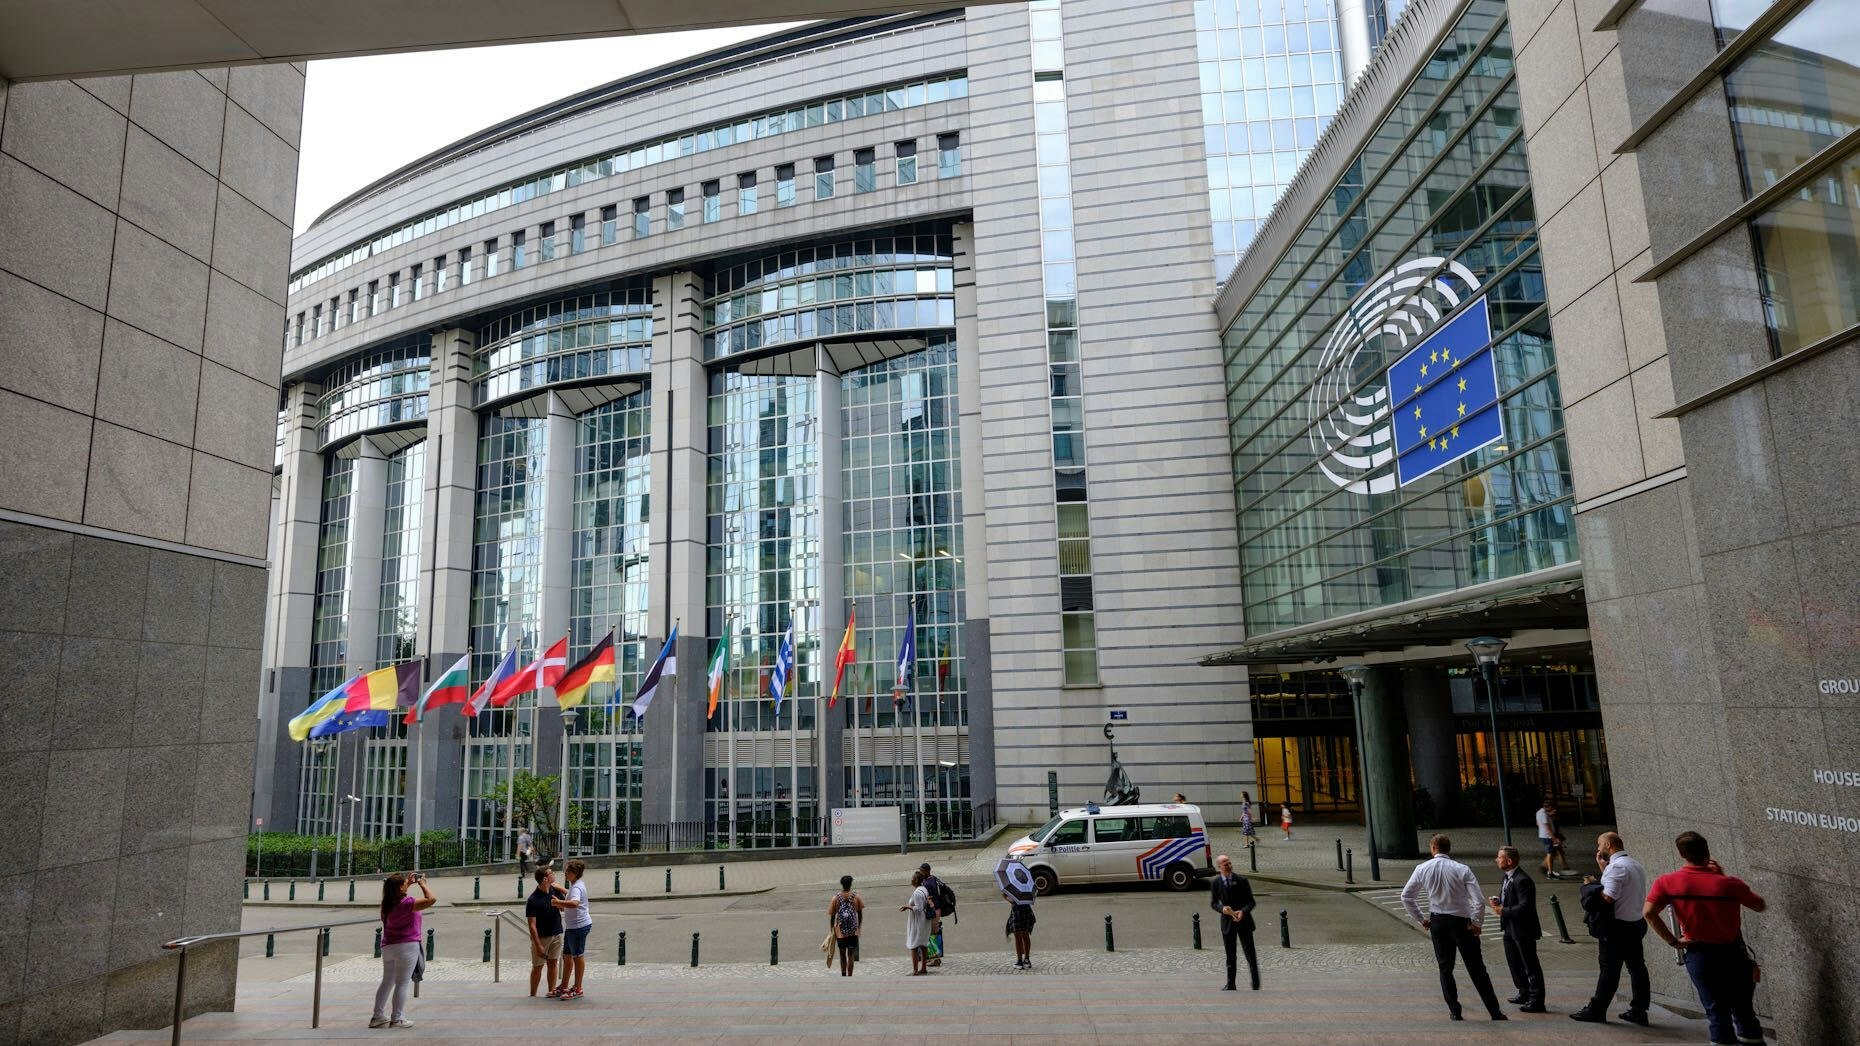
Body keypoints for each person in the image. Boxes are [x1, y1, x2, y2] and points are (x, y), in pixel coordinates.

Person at [1644, 832, 1767, 1046]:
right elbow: (1759, 905)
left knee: (1716, 1011)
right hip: (1733, 954)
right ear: (1707, 852)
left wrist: (1675, 942)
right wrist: (1720, 878)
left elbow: (1649, 913)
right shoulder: (1729, 884)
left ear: (1681, 854)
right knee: (1744, 1010)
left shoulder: (1667, 882)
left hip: (1699, 954)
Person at [1400, 834, 1508, 1022]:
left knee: (1445, 968)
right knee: (1477, 968)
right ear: (1448, 849)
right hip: (1461, 922)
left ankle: (1455, 1011)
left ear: (1433, 848)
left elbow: (1406, 896)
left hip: (1438, 922)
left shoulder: (1422, 868)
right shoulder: (1462, 869)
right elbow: (1479, 901)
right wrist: (1477, 923)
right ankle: (1494, 1011)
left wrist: (1421, 918)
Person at [1571, 831, 1651, 1025]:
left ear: (1608, 845)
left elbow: (1608, 897)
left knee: (1609, 970)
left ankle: (1597, 1010)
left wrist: (1590, 886)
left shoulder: (1617, 868)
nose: (1598, 849)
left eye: (1599, 845)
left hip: (1617, 929)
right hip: (1635, 924)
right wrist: (1603, 869)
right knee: (1637, 968)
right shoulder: (1634, 864)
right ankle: (1639, 1010)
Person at [371, 872, 435, 1029]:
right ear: (400, 888)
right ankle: (397, 1018)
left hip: (388, 946)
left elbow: (399, 898)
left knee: (387, 982)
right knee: (402, 983)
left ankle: (377, 1016)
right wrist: (422, 883)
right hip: (406, 946)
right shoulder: (407, 903)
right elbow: (431, 899)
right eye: (405, 883)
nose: (407, 883)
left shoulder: (386, 905)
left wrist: (408, 884)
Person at [1489, 846, 1545, 1012]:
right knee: (1514, 962)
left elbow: (1526, 907)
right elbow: (1511, 899)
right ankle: (1524, 991)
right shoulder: (1506, 877)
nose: (1496, 860)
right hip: (1509, 927)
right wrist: (1499, 902)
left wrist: (1502, 911)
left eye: (1499, 857)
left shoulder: (1522, 880)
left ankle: (1537, 1000)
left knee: (1530, 964)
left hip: (1523, 929)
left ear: (1509, 861)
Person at [1208, 854, 1259, 991]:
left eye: (1229, 862)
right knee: (1230, 955)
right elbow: (1213, 903)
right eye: (1225, 864)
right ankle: (1231, 983)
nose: (1229, 865)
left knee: (1250, 954)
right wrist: (1222, 909)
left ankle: (1255, 983)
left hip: (1244, 922)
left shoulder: (1241, 880)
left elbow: (1251, 902)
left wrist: (1243, 911)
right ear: (1219, 867)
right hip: (1228, 923)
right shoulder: (1216, 883)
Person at [551, 859, 591, 999]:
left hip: (579, 926)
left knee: (577, 956)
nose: (565, 873)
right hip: (572, 926)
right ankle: (564, 986)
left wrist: (558, 902)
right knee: (567, 956)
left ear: (575, 873)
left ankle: (578, 988)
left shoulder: (577, 887)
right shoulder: (576, 885)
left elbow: (574, 903)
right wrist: (561, 889)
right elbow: (571, 894)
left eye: (567, 871)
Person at [525, 867, 566, 998]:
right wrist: (538, 945)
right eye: (551, 873)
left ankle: (552, 991)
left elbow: (564, 908)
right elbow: (532, 924)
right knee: (538, 966)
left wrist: (560, 894)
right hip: (542, 937)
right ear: (545, 879)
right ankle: (533, 994)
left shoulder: (555, 891)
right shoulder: (533, 899)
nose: (554, 874)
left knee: (553, 963)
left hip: (556, 933)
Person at [827, 875, 864, 977]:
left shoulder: (836, 898)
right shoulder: (856, 897)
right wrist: (858, 927)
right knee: (851, 954)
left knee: (842, 955)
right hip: (853, 931)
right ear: (851, 884)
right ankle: (850, 975)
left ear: (841, 884)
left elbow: (832, 916)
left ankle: (843, 975)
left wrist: (832, 930)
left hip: (840, 932)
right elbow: (860, 914)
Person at [901, 869, 933, 976]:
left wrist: (907, 906)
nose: (910, 879)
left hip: (918, 922)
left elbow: (918, 909)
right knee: (923, 944)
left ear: (915, 880)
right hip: (924, 921)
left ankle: (915, 970)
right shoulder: (924, 889)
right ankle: (923, 968)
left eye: (912, 878)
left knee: (913, 945)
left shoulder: (917, 893)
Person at [918, 862, 950, 966]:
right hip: (937, 909)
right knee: (933, 934)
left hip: (934, 911)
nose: (920, 873)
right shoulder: (933, 878)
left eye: (922, 871)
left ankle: (935, 959)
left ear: (927, 871)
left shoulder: (928, 884)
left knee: (932, 935)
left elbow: (928, 899)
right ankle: (933, 957)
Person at [1003, 882, 1034, 969]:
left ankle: (1020, 961)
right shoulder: (1027, 884)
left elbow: (1012, 900)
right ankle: (1027, 959)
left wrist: (1006, 897)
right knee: (1025, 935)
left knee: (1018, 937)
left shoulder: (1011, 884)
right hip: (1026, 911)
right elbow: (1030, 898)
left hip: (1017, 912)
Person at [1536, 800, 1569, 879]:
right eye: (1552, 807)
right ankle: (1549, 871)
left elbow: (1538, 823)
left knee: (1553, 852)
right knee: (1550, 853)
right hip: (1548, 836)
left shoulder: (1539, 812)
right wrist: (1554, 838)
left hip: (1546, 836)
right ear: (1549, 807)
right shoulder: (1543, 815)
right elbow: (1548, 827)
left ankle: (1547, 869)